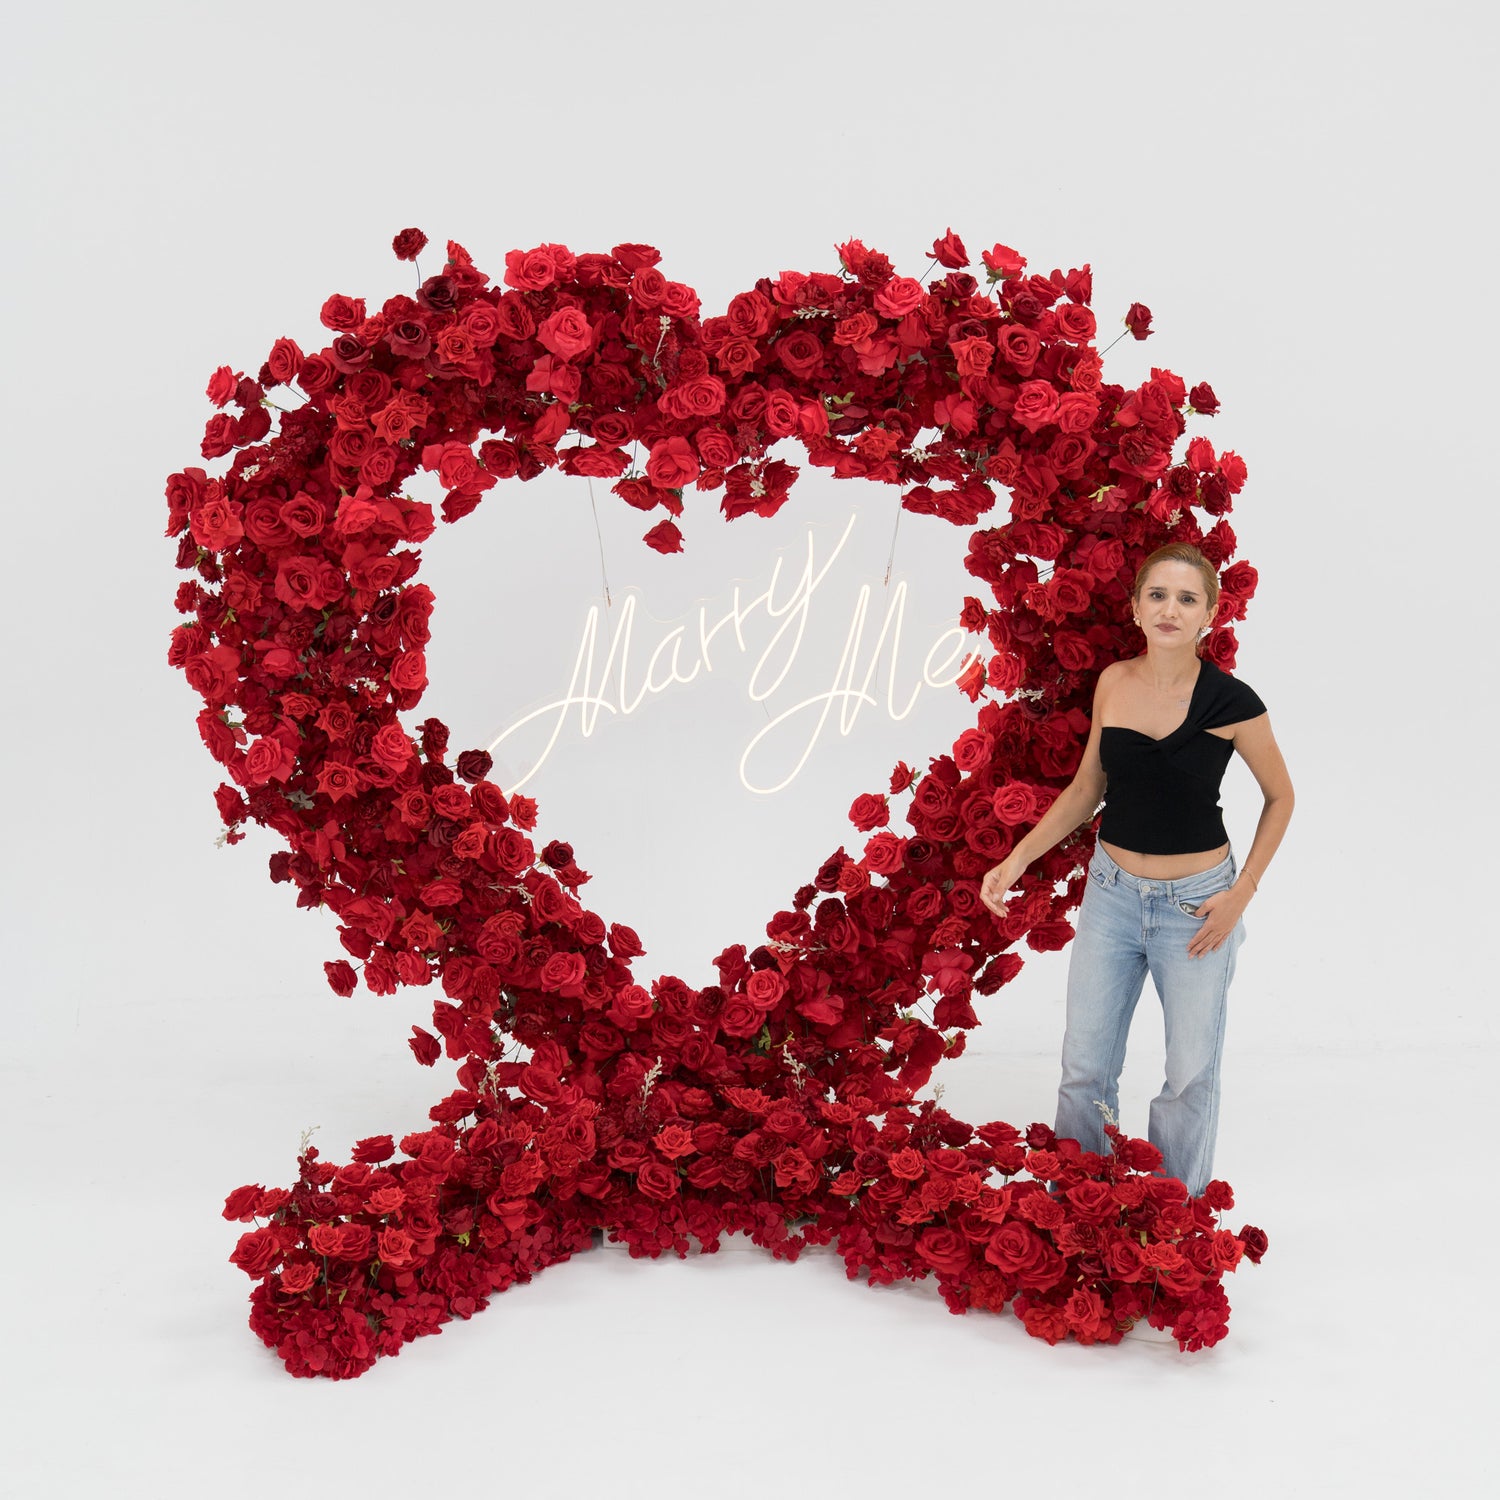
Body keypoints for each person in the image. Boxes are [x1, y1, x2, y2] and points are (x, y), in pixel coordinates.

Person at [979, 543, 1294, 1198]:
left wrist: (1242, 894)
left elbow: (1280, 797)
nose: (1170, 609)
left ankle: (1175, 1213)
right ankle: (1079, 1202)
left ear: (1209, 614)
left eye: (1187, 599)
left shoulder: (1233, 702)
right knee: (1084, 1064)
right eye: (1158, 595)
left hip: (1198, 907)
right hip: (1112, 895)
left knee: (1190, 1073)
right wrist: (1018, 858)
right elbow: (1086, 788)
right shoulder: (1114, 683)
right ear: (1136, 608)